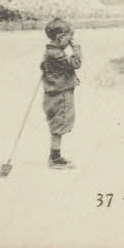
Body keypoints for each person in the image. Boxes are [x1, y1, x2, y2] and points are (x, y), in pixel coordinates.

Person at [40, 17, 82, 169]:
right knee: (60, 123)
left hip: (53, 93)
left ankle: (55, 156)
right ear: (60, 37)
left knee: (57, 124)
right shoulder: (56, 54)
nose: (70, 41)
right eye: (68, 38)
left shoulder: (51, 51)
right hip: (60, 94)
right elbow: (76, 63)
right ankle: (55, 158)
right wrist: (76, 47)